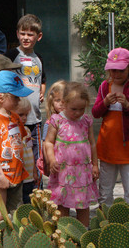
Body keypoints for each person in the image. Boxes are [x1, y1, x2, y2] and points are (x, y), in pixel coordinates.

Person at [0, 70, 33, 229]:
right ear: (1, 98)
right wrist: (0, 176)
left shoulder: (15, 117)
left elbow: (19, 142)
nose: (19, 99)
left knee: (16, 213)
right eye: (15, 96)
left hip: (16, 174)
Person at [44, 82, 99, 227]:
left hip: (82, 172)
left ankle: (83, 233)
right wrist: (51, 159)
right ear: (63, 103)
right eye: (73, 109)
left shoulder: (86, 121)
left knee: (83, 205)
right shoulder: (58, 120)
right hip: (63, 171)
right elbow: (48, 142)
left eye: (82, 109)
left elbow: (92, 143)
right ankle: (64, 232)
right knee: (62, 204)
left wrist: (95, 165)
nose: (78, 113)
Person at [5, 14, 46, 164]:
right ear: (17, 34)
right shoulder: (11, 55)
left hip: (35, 119)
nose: (26, 37)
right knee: (17, 156)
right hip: (16, 118)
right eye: (23, 33)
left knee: (36, 159)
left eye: (30, 34)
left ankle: (37, 187)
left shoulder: (39, 58)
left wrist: (42, 92)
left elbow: (43, 79)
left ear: (38, 36)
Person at [92, 47, 129, 205]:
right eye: (112, 70)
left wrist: (127, 105)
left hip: (127, 150)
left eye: (120, 70)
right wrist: (105, 103)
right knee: (105, 191)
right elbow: (95, 113)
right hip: (107, 148)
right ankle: (104, 222)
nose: (116, 74)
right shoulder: (104, 87)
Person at [38, 80, 66, 181]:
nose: (61, 104)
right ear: (51, 101)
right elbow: (46, 144)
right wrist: (49, 163)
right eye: (57, 100)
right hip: (56, 162)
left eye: (64, 100)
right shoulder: (50, 122)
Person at [15, 98, 39, 203]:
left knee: (28, 201)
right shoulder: (12, 132)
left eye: (26, 115)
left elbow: (30, 150)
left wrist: (34, 171)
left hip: (29, 176)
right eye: (21, 115)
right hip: (19, 177)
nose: (24, 118)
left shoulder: (27, 131)